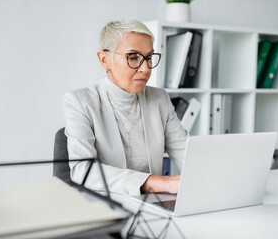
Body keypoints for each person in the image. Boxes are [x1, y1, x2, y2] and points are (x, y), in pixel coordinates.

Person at [63, 18, 188, 196]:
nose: (146, 69)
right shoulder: (79, 102)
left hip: (152, 206)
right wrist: (160, 183)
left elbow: (188, 156)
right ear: (104, 59)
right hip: (104, 206)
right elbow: (83, 171)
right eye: (134, 57)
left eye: (149, 58)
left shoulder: (160, 99)